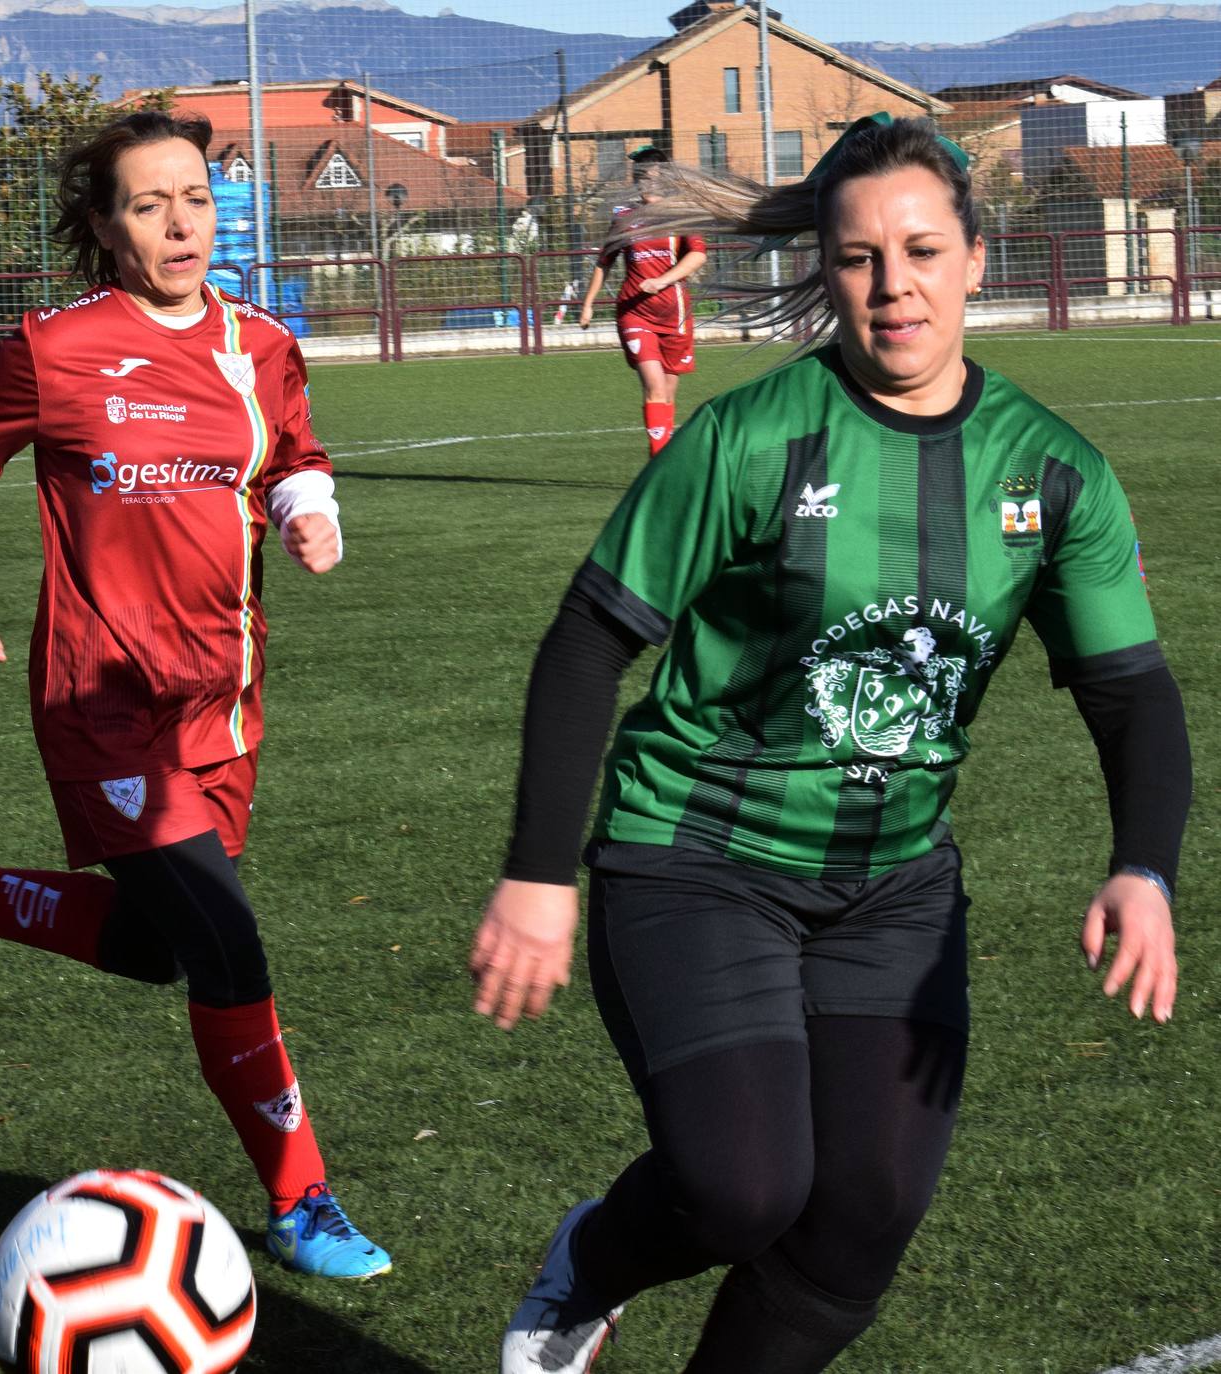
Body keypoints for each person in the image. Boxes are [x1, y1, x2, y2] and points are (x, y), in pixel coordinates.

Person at [472, 114, 1189, 1373]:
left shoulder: (1053, 472)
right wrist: (537, 874)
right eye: (859, 258)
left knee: (862, 1218)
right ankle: (590, 1263)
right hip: (696, 852)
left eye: (922, 250)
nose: (893, 284)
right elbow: (590, 639)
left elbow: (1131, 693)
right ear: (828, 269)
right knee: (745, 1190)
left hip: (894, 890)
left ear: (977, 256)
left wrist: (1145, 866)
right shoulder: (751, 440)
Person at [0, 109, 391, 1280]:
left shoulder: (259, 343)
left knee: (167, 951)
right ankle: (304, 1203)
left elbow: (296, 455)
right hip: (101, 698)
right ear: (105, 226)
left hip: (227, 696)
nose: (179, 222)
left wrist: (312, 512)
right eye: (149, 204)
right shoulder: (55, 349)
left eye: (197, 199)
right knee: (230, 941)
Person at [578, 146, 708, 459]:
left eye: (652, 178)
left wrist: (663, 280)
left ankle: (661, 457)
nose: (647, 184)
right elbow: (604, 261)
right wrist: (588, 303)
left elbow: (697, 254)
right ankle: (658, 465)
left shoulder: (681, 213)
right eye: (642, 178)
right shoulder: (624, 217)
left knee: (668, 395)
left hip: (675, 315)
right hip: (635, 313)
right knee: (655, 388)